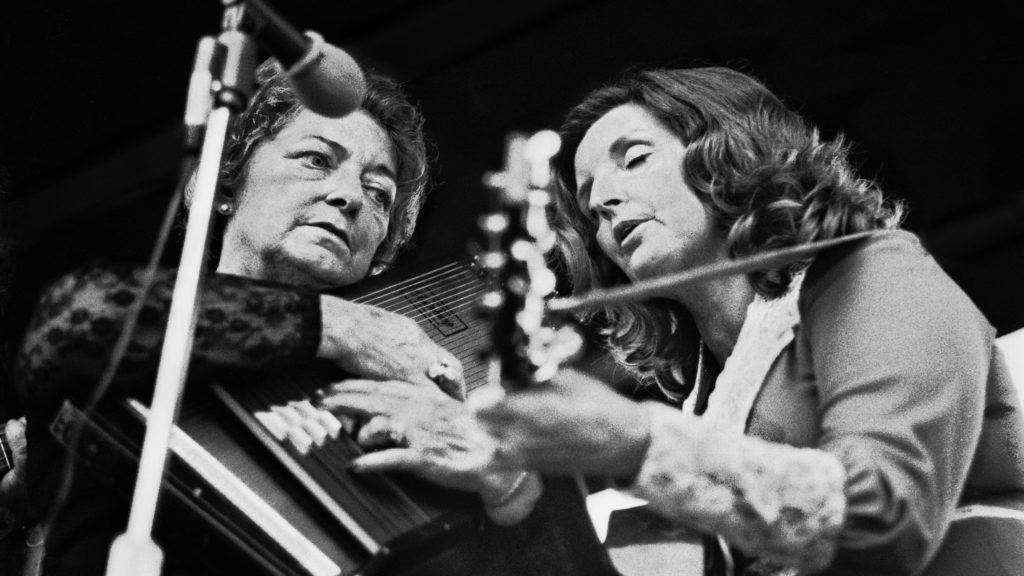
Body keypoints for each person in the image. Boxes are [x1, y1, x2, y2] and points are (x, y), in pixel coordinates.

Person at [471, 67, 1024, 575]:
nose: (608, 203)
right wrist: (505, 493)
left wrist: (637, 443)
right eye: (592, 209)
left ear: (726, 152)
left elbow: (884, 518)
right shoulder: (708, 408)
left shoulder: (875, 270)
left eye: (635, 158)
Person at [15, 58, 534, 576]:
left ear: (382, 247)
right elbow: (79, 315)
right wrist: (343, 326)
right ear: (226, 182)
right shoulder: (127, 322)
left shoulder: (408, 393)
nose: (350, 196)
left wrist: (507, 487)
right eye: (315, 159)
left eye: (379, 194)